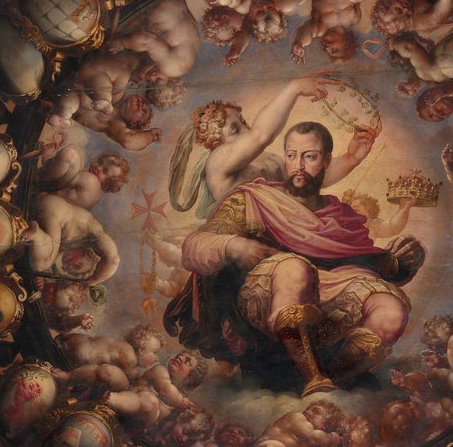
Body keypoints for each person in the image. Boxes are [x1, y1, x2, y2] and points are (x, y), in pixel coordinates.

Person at [165, 121, 425, 396]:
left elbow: (368, 263)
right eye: (291, 155)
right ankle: (312, 379)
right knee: (294, 268)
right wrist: (234, 245)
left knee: (391, 311)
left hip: (325, 298)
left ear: (326, 161)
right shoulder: (255, 199)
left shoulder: (340, 216)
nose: (298, 165)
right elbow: (194, 246)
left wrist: (403, 260)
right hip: (265, 297)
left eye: (309, 156)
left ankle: (335, 377)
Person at [168, 75, 379, 219]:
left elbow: (307, 181)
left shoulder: (268, 160)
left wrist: (351, 158)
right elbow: (261, 135)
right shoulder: (217, 162)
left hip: (286, 232)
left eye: (243, 121)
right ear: (217, 144)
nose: (246, 129)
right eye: (235, 129)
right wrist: (294, 88)